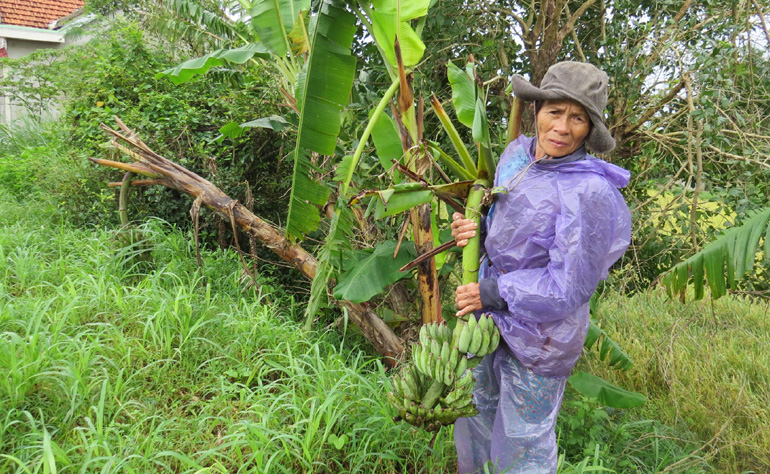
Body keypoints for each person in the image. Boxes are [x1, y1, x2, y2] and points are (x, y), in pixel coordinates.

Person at [450, 61, 632, 473]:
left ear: (590, 128)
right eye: (555, 111)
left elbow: (568, 286)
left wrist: (492, 292)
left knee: (523, 439)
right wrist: (474, 228)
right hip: (487, 313)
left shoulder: (588, 192)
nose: (563, 128)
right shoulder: (516, 155)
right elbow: (503, 219)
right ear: (536, 110)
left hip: (543, 334)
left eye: (578, 118)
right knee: (476, 413)